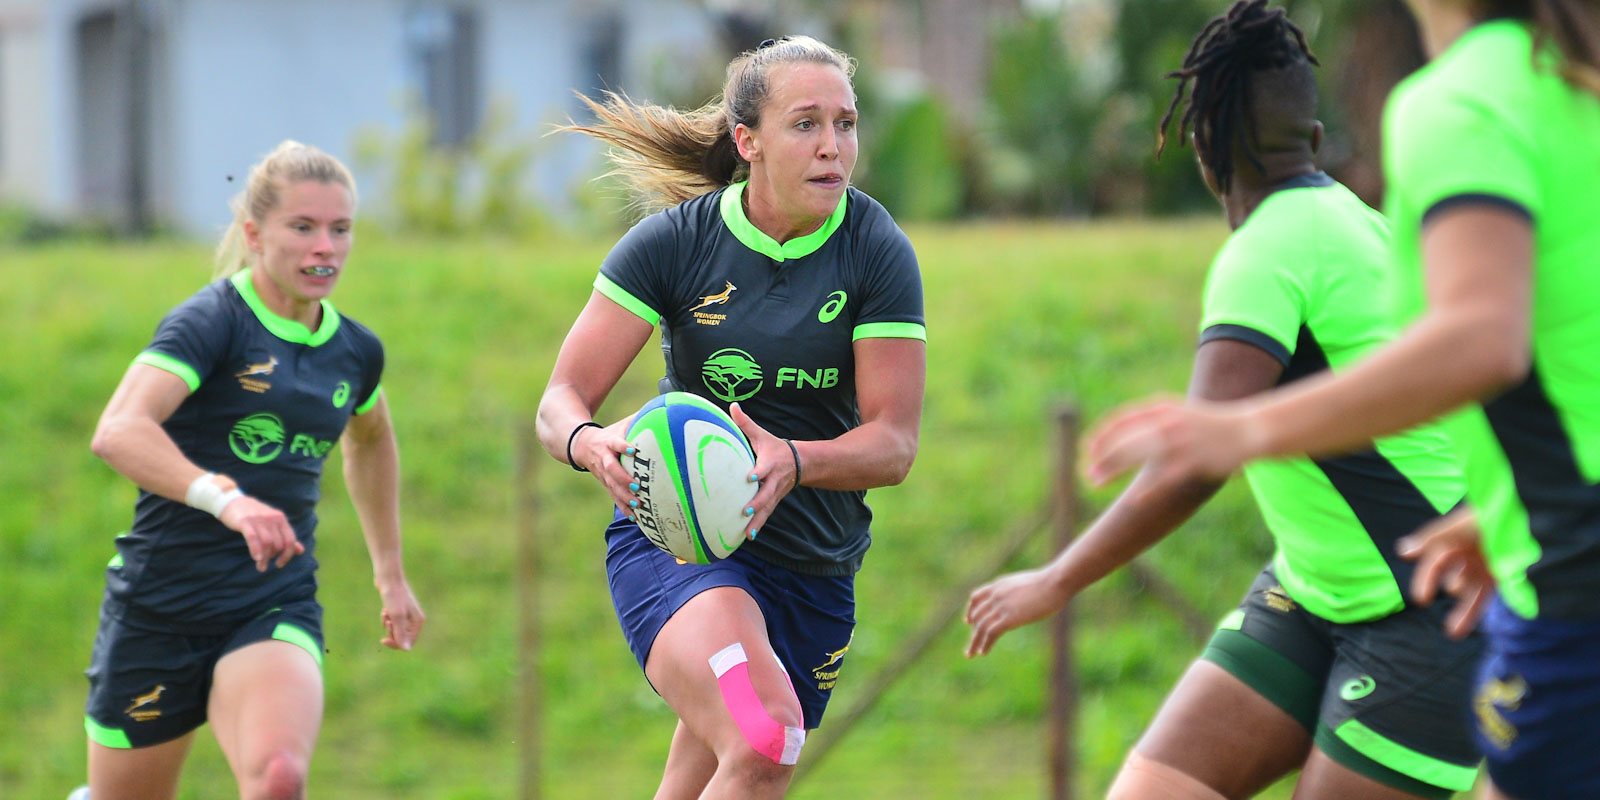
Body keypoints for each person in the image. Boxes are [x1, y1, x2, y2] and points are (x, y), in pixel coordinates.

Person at [965, 4, 1483, 798]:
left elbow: (1198, 463)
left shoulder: (1267, 248)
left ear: (1203, 152)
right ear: (1314, 142)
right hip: (1313, 593)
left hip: (1425, 613)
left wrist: (1057, 578)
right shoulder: (1360, 224)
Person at [1086, 2, 1600, 798]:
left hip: (1568, 600)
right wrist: (1497, 515)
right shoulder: (1569, 87)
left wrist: (1239, 429)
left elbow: (1481, 338)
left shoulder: (1459, 102)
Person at [537, 35, 925, 799]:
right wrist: (592, 443)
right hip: (684, 546)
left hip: (814, 571)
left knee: (726, 769)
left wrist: (797, 459)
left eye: (846, 124)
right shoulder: (675, 245)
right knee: (764, 736)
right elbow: (559, 402)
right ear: (747, 141)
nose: (833, 148)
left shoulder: (874, 249)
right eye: (806, 124)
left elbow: (894, 443)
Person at [76, 140, 424, 800]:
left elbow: (371, 438)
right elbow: (118, 432)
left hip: (271, 597)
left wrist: (391, 573)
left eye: (340, 229)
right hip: (160, 607)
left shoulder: (353, 351)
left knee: (279, 777)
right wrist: (225, 500)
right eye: (304, 227)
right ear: (254, 234)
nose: (326, 246)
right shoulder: (211, 323)